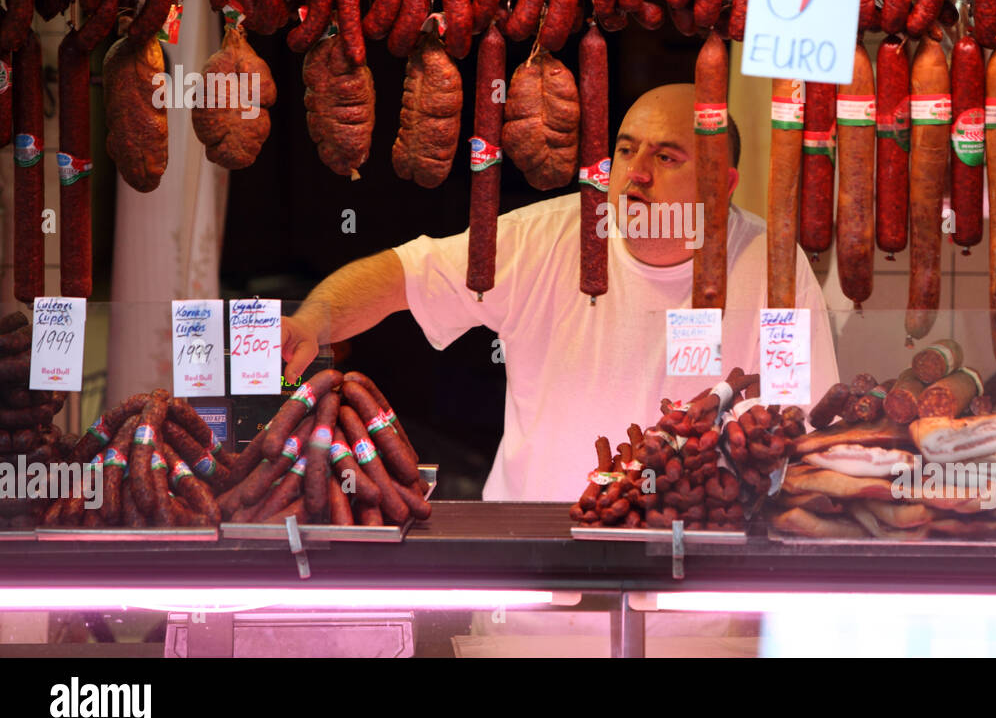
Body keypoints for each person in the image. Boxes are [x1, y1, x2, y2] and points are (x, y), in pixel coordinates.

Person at [280, 82, 840, 502]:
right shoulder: (542, 237)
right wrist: (310, 323)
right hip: (533, 560)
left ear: (723, 183)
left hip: (700, 570)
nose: (636, 173)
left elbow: (803, 419)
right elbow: (400, 275)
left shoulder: (772, 266)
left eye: (666, 156)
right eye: (626, 150)